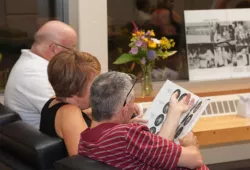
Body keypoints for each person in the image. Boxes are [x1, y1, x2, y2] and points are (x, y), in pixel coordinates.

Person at [78, 71, 209, 170]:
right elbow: (195, 159)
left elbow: (159, 150)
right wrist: (190, 145)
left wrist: (174, 111)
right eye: (132, 103)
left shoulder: (85, 139)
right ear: (124, 110)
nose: (133, 107)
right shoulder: (125, 135)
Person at [4, 21, 77, 128]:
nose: (74, 53)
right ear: (54, 49)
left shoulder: (38, 65)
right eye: (71, 48)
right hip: (50, 137)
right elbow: (65, 114)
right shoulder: (34, 74)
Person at [40, 50, 100, 156]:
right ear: (75, 91)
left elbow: (85, 114)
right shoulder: (70, 113)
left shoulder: (54, 101)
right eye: (94, 84)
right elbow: (85, 161)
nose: (98, 88)